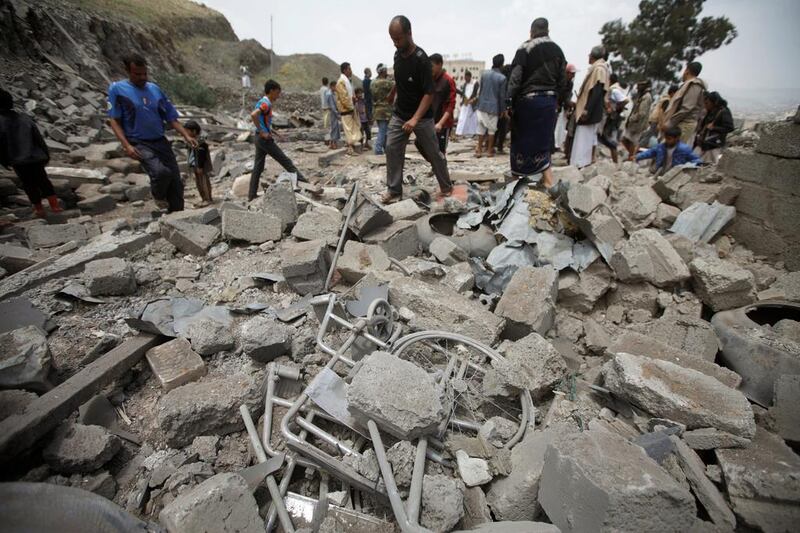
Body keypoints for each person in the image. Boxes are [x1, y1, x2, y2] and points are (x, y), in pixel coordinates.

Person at [107, 53, 196, 213]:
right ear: (127, 71)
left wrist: (186, 135)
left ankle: (178, 218)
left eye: (145, 74)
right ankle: (159, 196)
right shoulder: (117, 89)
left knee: (176, 182)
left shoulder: (155, 89)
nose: (142, 77)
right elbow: (114, 120)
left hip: (160, 140)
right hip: (138, 142)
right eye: (137, 74)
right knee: (161, 173)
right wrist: (126, 145)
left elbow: (171, 117)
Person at [381, 15, 453, 204]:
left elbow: (429, 94)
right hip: (400, 113)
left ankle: (446, 187)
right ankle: (394, 190)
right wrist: (392, 93)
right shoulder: (397, 55)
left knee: (434, 153)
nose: (395, 43)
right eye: (393, 39)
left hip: (422, 117)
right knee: (392, 148)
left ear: (409, 33)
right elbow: (399, 78)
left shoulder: (422, 61)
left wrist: (415, 119)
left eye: (398, 39)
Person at [507, 18, 567, 187]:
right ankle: (548, 182)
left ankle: (516, 184)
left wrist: (508, 102)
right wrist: (557, 100)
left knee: (521, 140)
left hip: (527, 103)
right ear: (548, 30)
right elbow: (563, 81)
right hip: (549, 102)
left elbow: (515, 78)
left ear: (531, 31)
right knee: (543, 141)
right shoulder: (558, 51)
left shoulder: (525, 48)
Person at [0, 88, 62, 217]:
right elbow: (38, 137)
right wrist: (46, 154)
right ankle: (55, 207)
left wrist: (4, 161)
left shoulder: (1, 122)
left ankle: (39, 209)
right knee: (43, 181)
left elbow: (1, 145)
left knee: (29, 185)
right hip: (35, 157)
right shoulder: (24, 118)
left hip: (18, 160)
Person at [248, 79, 307, 201]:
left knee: (258, 167)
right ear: (272, 91)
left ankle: (251, 195)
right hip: (264, 139)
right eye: (277, 92)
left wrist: (273, 132)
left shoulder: (262, 101)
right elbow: (254, 115)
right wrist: (263, 131)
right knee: (286, 161)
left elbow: (263, 120)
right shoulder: (266, 104)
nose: (278, 96)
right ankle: (305, 183)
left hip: (259, 138)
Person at [569, 45, 609, 169]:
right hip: (590, 110)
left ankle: (579, 164)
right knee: (584, 137)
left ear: (593, 56)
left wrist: (587, 110)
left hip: (589, 111)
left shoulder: (599, 69)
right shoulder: (598, 68)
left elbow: (597, 92)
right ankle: (579, 163)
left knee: (583, 138)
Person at [662, 61, 707, 144]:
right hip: (678, 125)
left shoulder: (694, 85)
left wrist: (669, 123)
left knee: (672, 152)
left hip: (684, 126)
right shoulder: (687, 85)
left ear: (687, 71)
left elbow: (686, 108)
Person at [475, 54, 508, 158]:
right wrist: (503, 109)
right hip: (493, 107)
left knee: (480, 129)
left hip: (482, 105)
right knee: (492, 130)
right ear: (502, 64)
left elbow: (480, 91)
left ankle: (479, 150)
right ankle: (489, 151)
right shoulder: (502, 78)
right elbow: (501, 96)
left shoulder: (484, 74)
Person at [635, 125, 701, 174]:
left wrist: (687, 166)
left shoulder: (684, 149)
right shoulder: (661, 146)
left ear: (677, 138)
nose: (667, 140)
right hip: (659, 172)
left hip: (672, 175)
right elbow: (650, 152)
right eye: (666, 138)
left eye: (669, 139)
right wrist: (637, 157)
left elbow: (696, 160)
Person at [428, 53, 457, 154]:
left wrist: (441, 123)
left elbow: (451, 105)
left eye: (431, 66)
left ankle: (440, 169)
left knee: (440, 151)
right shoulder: (430, 80)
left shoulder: (448, 81)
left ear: (439, 64)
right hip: (430, 121)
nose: (430, 69)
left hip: (443, 124)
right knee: (429, 149)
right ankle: (435, 168)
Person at [695, 91, 734, 164]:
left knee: (707, 166)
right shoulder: (711, 111)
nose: (705, 105)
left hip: (713, 145)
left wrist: (714, 128)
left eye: (707, 103)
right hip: (703, 144)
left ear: (714, 102)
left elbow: (730, 128)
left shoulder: (724, 111)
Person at [597, 78, 628, 164]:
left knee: (610, 142)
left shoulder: (614, 89)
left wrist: (613, 109)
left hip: (610, 119)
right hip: (611, 118)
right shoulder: (615, 88)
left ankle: (615, 163)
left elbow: (625, 100)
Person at [620, 81, 653, 161]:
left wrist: (632, 118)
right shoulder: (642, 95)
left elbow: (642, 113)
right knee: (625, 140)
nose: (637, 87)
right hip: (633, 124)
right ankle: (633, 157)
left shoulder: (646, 97)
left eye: (639, 85)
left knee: (631, 141)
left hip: (637, 125)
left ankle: (632, 158)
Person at [183, 120, 213, 207]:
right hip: (194, 163)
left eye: (187, 131)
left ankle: (208, 199)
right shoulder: (192, 139)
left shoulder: (201, 141)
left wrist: (200, 166)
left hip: (201, 165)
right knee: (198, 182)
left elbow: (201, 154)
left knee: (204, 182)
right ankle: (203, 198)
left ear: (194, 131)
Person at [335, 62, 362, 155]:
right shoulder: (341, 82)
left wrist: (353, 100)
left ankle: (351, 146)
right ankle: (350, 149)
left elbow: (350, 95)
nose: (351, 71)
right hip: (346, 110)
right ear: (345, 70)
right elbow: (344, 98)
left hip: (350, 108)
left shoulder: (347, 81)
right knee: (349, 129)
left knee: (352, 128)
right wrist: (351, 105)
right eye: (349, 69)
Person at [371, 63, 394, 155]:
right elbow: (394, 87)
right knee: (384, 131)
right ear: (383, 71)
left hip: (377, 109)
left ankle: (384, 148)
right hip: (386, 110)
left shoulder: (373, 83)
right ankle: (378, 149)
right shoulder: (387, 83)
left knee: (383, 130)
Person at [554, 63, 577, 151]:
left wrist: (568, 104)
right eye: (572, 73)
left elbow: (567, 95)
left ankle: (558, 144)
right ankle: (554, 144)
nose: (573, 75)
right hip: (557, 105)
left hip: (563, 106)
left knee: (561, 126)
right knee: (556, 126)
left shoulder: (570, 84)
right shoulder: (560, 81)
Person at [494, 64, 513, 154]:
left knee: (496, 127)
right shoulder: (505, 80)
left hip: (495, 107)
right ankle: (499, 146)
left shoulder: (499, 79)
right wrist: (505, 109)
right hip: (503, 107)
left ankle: (493, 144)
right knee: (502, 127)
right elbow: (504, 95)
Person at [455, 70, 479, 137]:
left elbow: (476, 93)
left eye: (466, 78)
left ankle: (471, 133)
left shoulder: (475, 83)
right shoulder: (465, 83)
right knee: (462, 118)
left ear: (469, 77)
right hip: (465, 103)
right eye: (465, 78)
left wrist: (472, 100)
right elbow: (464, 93)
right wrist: (462, 101)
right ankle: (460, 132)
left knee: (472, 119)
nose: (465, 80)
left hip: (472, 104)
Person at [325, 80, 341, 149]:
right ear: (332, 86)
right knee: (334, 127)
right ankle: (332, 143)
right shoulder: (330, 94)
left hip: (334, 112)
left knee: (336, 127)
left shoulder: (332, 93)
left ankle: (334, 142)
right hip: (333, 113)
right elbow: (332, 106)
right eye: (335, 87)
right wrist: (338, 115)